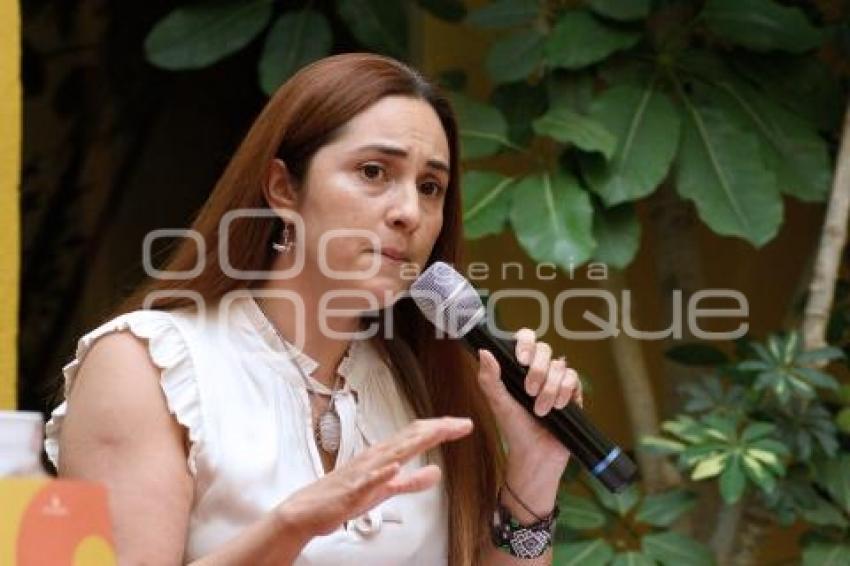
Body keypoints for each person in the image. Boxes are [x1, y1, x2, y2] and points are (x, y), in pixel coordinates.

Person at [44, 53, 583, 565]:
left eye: (430, 186)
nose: (408, 212)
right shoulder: (149, 366)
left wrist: (533, 470)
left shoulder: (420, 381)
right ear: (282, 188)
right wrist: (292, 526)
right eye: (373, 171)